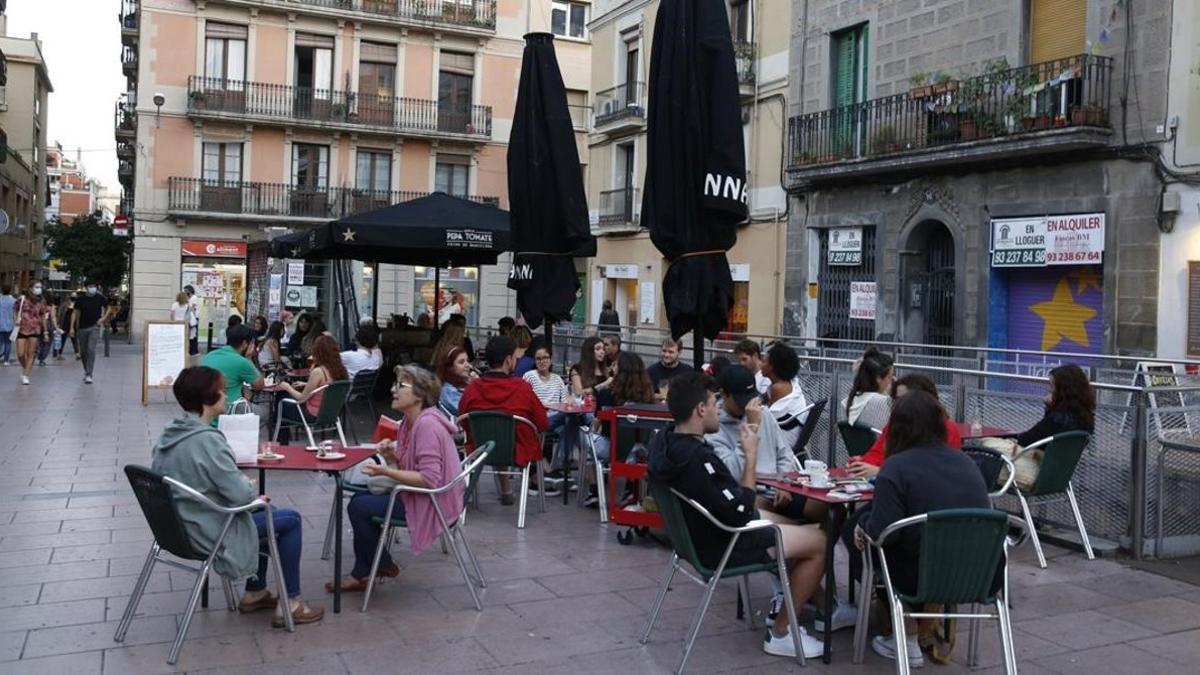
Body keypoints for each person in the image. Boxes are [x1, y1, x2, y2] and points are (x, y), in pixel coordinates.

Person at [647, 371, 827, 659]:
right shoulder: (699, 458)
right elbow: (741, 512)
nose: (718, 407)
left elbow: (734, 501)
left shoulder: (667, 442)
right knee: (819, 541)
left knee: (794, 525)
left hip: (694, 540)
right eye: (713, 402)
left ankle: (799, 601)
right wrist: (751, 455)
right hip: (724, 543)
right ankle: (781, 632)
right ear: (700, 409)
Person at [151, 366, 323, 627]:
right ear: (210, 399)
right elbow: (241, 495)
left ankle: (256, 591)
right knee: (290, 520)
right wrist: (246, 485)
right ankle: (291, 602)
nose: (226, 396)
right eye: (222, 391)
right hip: (207, 531)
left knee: (267, 512)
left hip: (176, 529)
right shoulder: (208, 440)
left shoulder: (170, 433)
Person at [855, 390, 991, 667]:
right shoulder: (966, 462)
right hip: (980, 574)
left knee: (873, 546)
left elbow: (884, 532)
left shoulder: (895, 467)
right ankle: (918, 632)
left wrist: (862, 526)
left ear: (897, 428)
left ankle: (904, 637)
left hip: (921, 576)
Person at [327, 365, 465, 593]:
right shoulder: (410, 423)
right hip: (424, 495)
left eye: (400, 385)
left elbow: (429, 480)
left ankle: (371, 568)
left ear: (419, 394)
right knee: (361, 500)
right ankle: (376, 566)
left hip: (434, 502)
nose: (393, 389)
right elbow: (411, 468)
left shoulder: (427, 425)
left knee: (358, 506)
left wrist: (386, 471)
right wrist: (392, 457)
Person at [457, 336, 549, 505]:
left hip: (480, 449)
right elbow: (543, 423)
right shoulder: (523, 388)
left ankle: (504, 490)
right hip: (516, 450)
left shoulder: (472, 389)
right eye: (515, 357)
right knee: (510, 436)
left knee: (496, 436)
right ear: (508, 360)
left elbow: (462, 420)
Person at [848, 374, 963, 480]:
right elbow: (877, 453)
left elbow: (932, 474)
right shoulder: (896, 424)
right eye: (897, 400)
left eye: (905, 399)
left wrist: (880, 471)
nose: (900, 404)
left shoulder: (946, 429)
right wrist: (861, 464)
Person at [275, 335, 348, 443]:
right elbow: (326, 386)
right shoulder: (340, 370)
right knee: (284, 402)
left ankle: (282, 443)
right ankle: (283, 441)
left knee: (281, 400)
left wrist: (287, 387)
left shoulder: (318, 372)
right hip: (331, 413)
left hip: (312, 415)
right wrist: (306, 384)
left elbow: (301, 399)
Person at [762, 342, 809, 451]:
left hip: (783, 441)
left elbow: (766, 417)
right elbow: (762, 398)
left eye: (764, 361)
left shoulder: (778, 388)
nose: (760, 364)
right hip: (793, 435)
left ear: (772, 367)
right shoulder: (789, 382)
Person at [202, 324, 264, 408]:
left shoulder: (209, 356)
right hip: (229, 411)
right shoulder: (242, 362)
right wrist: (249, 358)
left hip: (206, 410)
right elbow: (259, 385)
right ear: (245, 343)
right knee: (263, 414)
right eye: (252, 343)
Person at [70, 282, 114, 384]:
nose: (93, 288)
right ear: (86, 288)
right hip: (81, 328)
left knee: (91, 349)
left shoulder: (100, 298)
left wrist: (103, 318)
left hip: (94, 327)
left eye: (94, 286)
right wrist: (72, 328)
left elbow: (109, 307)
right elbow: (75, 312)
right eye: (90, 287)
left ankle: (89, 374)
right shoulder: (80, 299)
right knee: (83, 352)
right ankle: (86, 370)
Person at [842, 347, 895, 430]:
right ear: (878, 379)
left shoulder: (848, 400)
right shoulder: (884, 402)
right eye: (890, 377)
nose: (892, 380)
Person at [14, 282, 51, 385]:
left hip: (35, 329)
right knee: (20, 354)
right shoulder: (22, 299)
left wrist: (46, 332)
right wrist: (15, 321)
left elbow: (43, 316)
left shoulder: (41, 301)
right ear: (30, 288)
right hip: (22, 329)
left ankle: (26, 375)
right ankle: (26, 368)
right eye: (36, 287)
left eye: (40, 287)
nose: (39, 289)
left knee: (31, 353)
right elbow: (15, 310)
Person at [437, 346, 476, 418]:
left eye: (467, 361)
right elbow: (467, 411)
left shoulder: (464, 384)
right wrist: (476, 387)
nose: (468, 365)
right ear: (450, 367)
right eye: (461, 362)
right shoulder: (448, 390)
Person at [54, 293, 76, 361]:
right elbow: (60, 313)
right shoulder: (64, 304)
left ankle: (77, 353)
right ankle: (58, 353)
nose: (73, 298)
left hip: (73, 324)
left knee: (74, 338)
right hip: (64, 323)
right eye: (72, 296)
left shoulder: (76, 305)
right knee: (62, 339)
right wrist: (58, 323)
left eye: (75, 296)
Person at [184, 285, 200, 356]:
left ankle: (194, 351)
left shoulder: (194, 297)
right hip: (189, 317)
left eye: (186, 291)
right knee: (190, 334)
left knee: (194, 334)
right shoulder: (188, 298)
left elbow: (193, 308)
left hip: (193, 317)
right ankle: (190, 350)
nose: (185, 292)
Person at [0, 284, 14, 366]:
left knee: (0, 342)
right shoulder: (14, 301)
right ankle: (6, 361)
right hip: (9, 325)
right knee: (8, 343)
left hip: (0, 324)